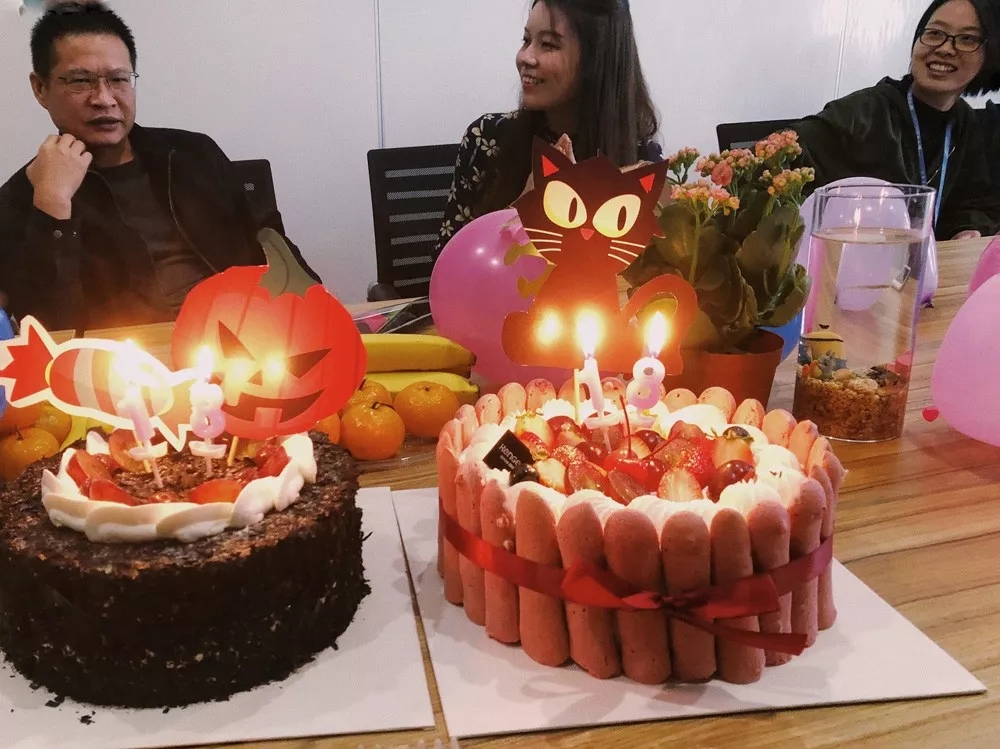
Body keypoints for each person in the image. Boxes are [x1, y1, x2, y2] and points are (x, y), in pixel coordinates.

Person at [0, 2, 318, 332]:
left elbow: (275, 247)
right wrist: (53, 207)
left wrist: (317, 313)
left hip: (247, 339)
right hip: (126, 359)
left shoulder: (193, 154)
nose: (104, 99)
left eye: (118, 79)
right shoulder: (21, 199)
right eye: (80, 81)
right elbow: (51, 332)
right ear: (40, 88)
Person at [433, 0, 661, 259]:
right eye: (526, 40)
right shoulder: (486, 139)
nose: (525, 57)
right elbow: (445, 264)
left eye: (548, 44)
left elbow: (642, 269)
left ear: (597, 59)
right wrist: (522, 210)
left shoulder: (640, 159)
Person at [792, 0, 1000, 240]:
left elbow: (974, 202)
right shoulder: (861, 113)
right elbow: (776, 161)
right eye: (934, 33)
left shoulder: (965, 123)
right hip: (855, 258)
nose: (945, 48)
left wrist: (967, 230)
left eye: (967, 39)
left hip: (933, 260)